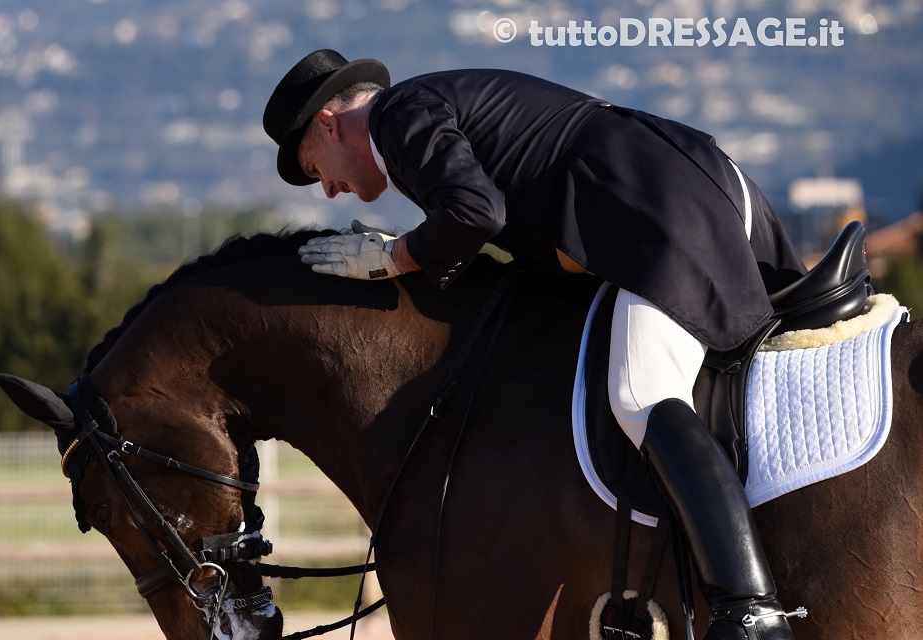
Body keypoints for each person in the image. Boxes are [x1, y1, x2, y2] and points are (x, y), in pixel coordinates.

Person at [263, 49, 807, 640]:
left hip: (653, 206)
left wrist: (396, 256)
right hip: (706, 182)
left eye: (315, 170)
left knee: (638, 392)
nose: (328, 191)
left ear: (328, 123)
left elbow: (476, 212)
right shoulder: (429, 106)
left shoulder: (397, 116)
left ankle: (747, 609)